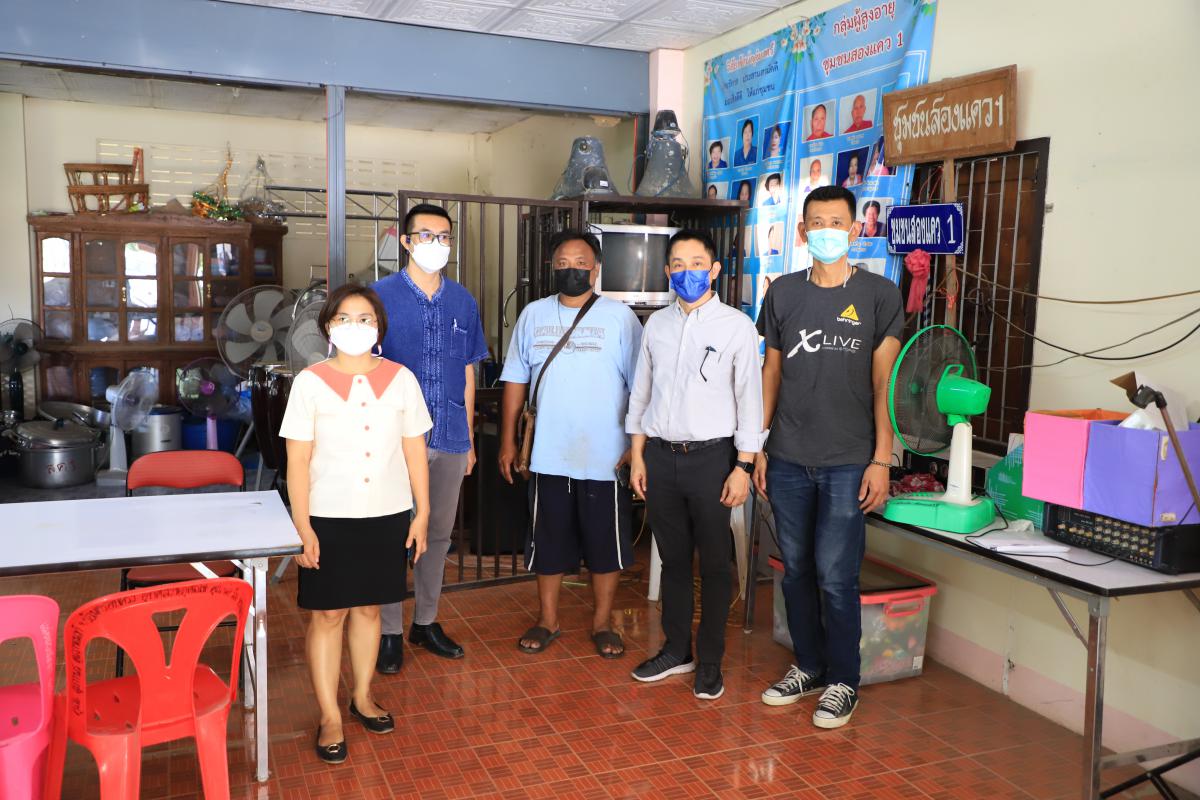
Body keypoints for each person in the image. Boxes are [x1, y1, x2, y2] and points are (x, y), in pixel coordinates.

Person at [754, 185, 902, 729]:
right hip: (787, 456)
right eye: (816, 223)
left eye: (837, 223)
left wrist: (881, 459)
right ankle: (809, 666)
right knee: (795, 570)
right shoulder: (783, 293)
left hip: (848, 460)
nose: (826, 232)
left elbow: (885, 384)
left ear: (855, 230)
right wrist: (757, 446)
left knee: (836, 576)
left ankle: (844, 680)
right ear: (801, 231)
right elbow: (771, 372)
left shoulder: (879, 295)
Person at [281, 283, 433, 764]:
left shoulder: (401, 379)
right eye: (344, 318)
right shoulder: (310, 383)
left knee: (369, 610)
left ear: (379, 327)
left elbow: (414, 450)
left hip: (387, 514)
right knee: (328, 616)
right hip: (328, 517)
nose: (355, 326)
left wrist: (422, 512)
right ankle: (329, 715)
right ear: (328, 327)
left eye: (365, 318)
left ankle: (362, 696)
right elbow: (297, 461)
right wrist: (301, 526)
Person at [626, 230, 763, 699]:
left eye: (698, 263)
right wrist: (638, 454)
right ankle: (676, 650)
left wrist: (743, 467)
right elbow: (641, 393)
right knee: (673, 558)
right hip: (661, 456)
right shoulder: (656, 326)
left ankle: (710, 660)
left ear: (715, 269)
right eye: (679, 264)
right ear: (667, 271)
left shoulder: (736, 326)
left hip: (713, 460)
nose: (688, 272)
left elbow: (750, 402)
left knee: (717, 563)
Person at [499, 230, 641, 658]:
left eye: (581, 263)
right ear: (551, 268)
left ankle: (602, 623)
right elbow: (515, 380)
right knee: (548, 541)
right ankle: (548, 619)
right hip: (548, 454)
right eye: (562, 263)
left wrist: (636, 447)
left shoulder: (620, 318)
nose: (571, 270)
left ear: (596, 269)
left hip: (606, 456)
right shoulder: (533, 315)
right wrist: (507, 441)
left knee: (605, 544)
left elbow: (642, 386)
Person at [371, 203, 488, 672]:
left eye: (443, 236)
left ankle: (425, 621)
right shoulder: (379, 298)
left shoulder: (463, 301)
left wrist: (470, 439)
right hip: (394, 442)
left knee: (438, 535)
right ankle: (388, 631)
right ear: (405, 241)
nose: (435, 244)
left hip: (452, 435)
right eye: (425, 235)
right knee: (391, 536)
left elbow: (468, 370)